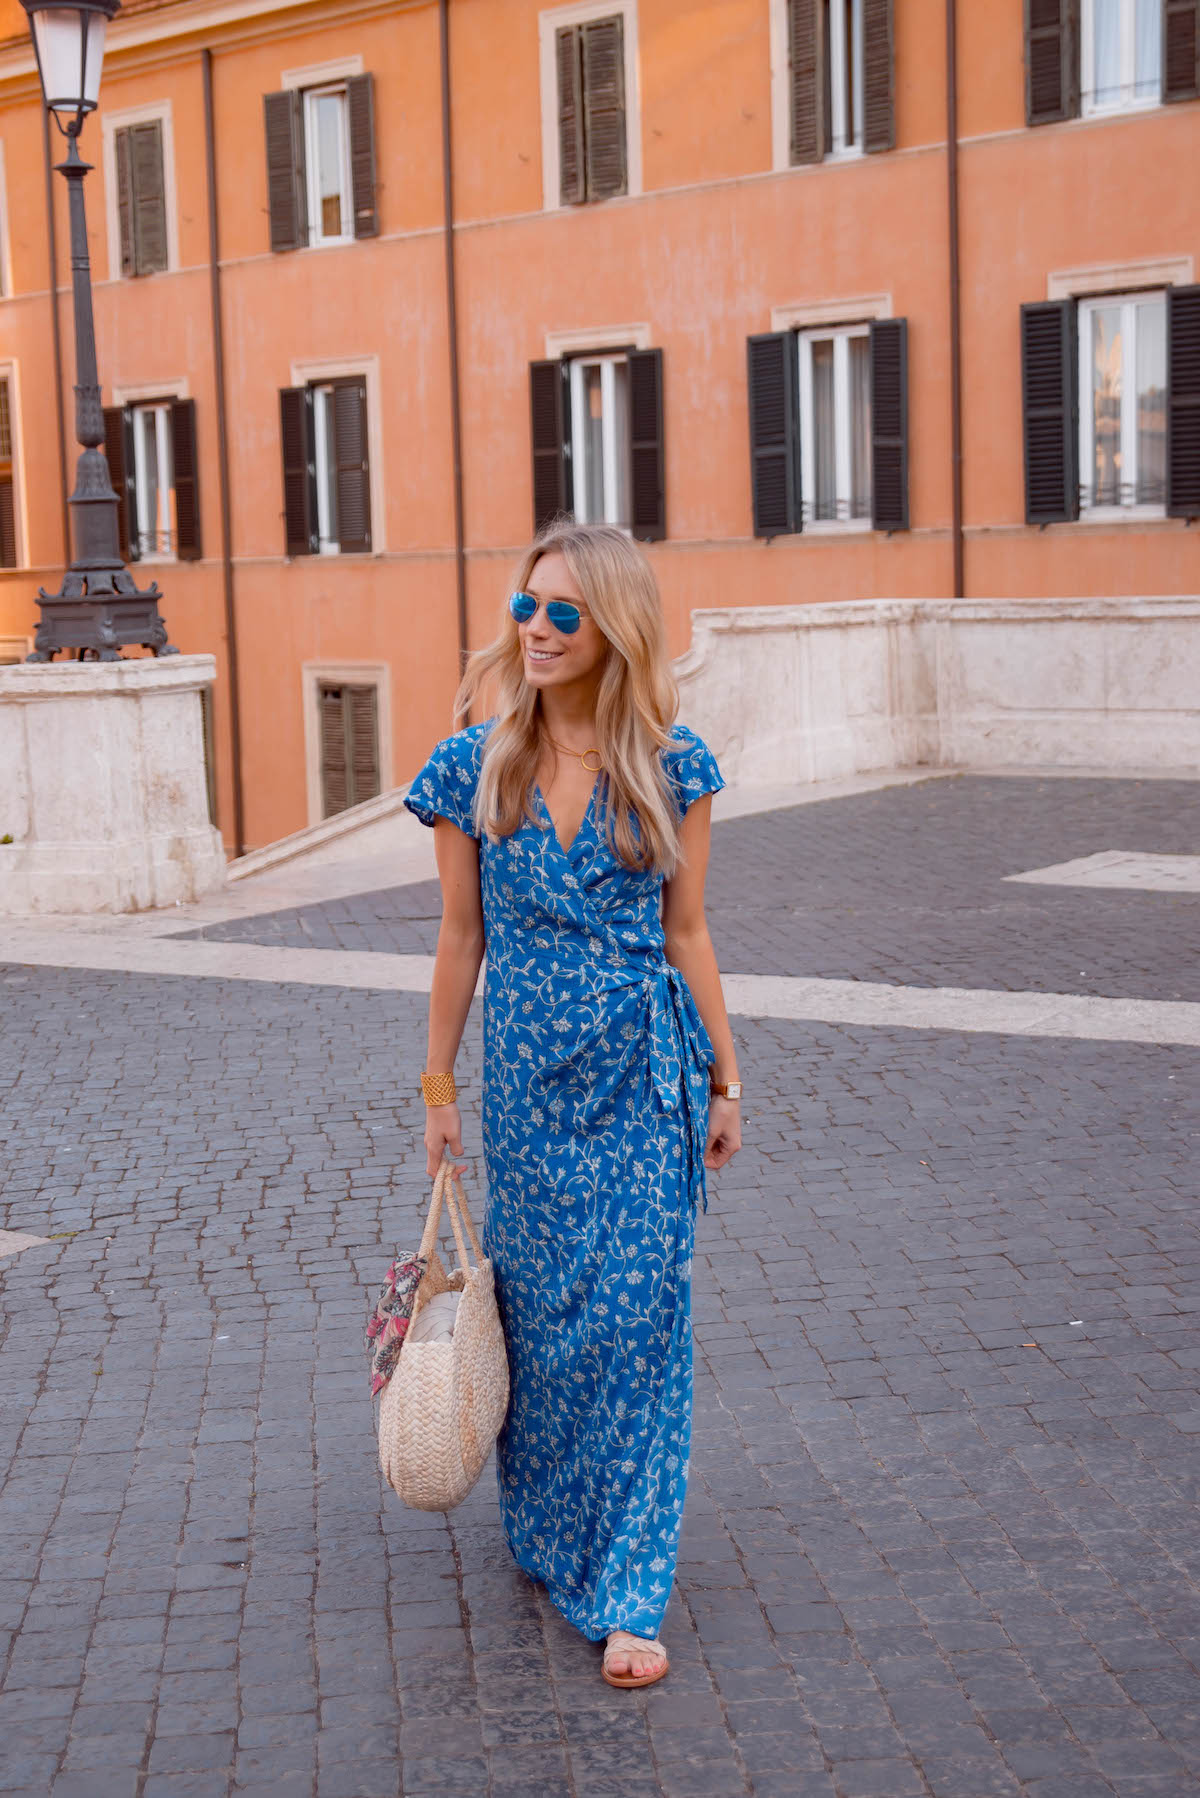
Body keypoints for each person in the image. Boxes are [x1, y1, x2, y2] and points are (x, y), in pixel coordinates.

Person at [403, 520, 742, 1689]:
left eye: (563, 613)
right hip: (531, 1096)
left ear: (612, 629)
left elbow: (687, 933)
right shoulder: (473, 766)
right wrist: (440, 1088)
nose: (536, 630)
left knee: (638, 1323)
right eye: (525, 607)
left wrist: (727, 1077)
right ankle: (553, 1531)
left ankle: (632, 1584)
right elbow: (459, 940)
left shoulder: (672, 764)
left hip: (645, 1078)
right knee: (548, 1323)